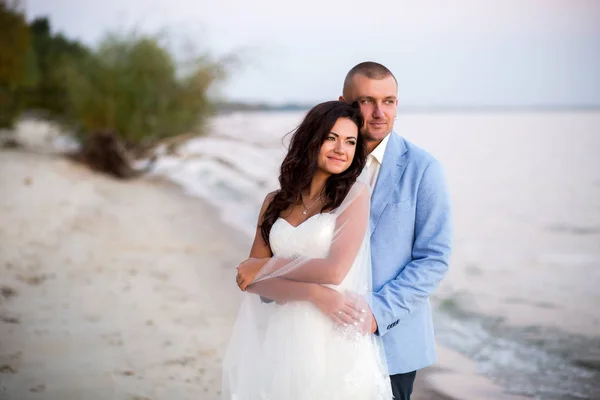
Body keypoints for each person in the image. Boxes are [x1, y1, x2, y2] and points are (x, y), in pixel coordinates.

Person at [234, 61, 453, 400]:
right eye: (367, 101)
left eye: (390, 101)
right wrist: (285, 285)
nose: (380, 112)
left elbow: (434, 259)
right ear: (346, 103)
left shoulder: (423, 169)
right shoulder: (307, 182)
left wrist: (376, 315)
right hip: (298, 335)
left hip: (388, 339)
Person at [222, 100, 393, 399]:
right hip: (283, 337)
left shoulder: (354, 196)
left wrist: (263, 267)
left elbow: (334, 270)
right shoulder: (275, 201)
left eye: (350, 141)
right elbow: (252, 284)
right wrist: (314, 294)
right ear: (311, 139)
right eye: (332, 138)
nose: (341, 149)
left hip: (333, 337)